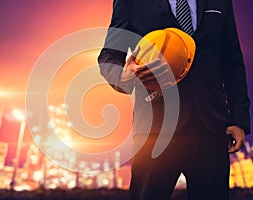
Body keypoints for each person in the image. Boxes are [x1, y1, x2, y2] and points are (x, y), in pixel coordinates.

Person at [98, 0, 251, 199]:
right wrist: (125, 75)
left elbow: (232, 62)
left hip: (211, 127)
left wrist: (239, 120)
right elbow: (108, 57)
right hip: (155, 129)